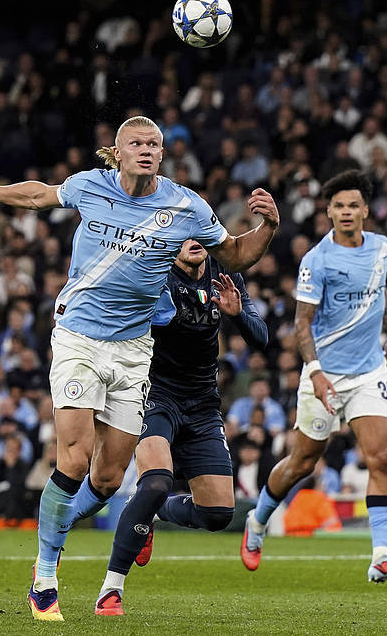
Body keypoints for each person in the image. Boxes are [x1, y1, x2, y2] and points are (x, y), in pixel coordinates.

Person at [0, 115, 279, 621]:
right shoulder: (90, 186)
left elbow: (234, 255)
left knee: (106, 479)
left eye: (154, 144)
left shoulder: (187, 206)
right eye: (136, 143)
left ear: (162, 154)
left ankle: (58, 532)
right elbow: (39, 195)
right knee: (74, 458)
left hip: (133, 351)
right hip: (79, 337)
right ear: (118, 152)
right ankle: (45, 576)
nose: (146, 149)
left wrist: (268, 228)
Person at [239, 170, 387, 584]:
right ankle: (257, 520)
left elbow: (378, 287)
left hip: (368, 371)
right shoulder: (317, 260)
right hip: (325, 374)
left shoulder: (382, 247)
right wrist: (315, 374)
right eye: (339, 206)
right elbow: (302, 323)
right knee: (302, 463)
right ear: (329, 212)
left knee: (380, 458)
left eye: (353, 205)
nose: (346, 212)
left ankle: (381, 556)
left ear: (365, 210)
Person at [95, 238, 268, 616]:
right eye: (184, 233)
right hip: (155, 395)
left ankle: (152, 513)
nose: (194, 241)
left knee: (218, 514)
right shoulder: (153, 273)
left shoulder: (225, 274)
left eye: (200, 232)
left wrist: (238, 314)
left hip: (203, 404)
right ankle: (111, 589)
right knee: (156, 481)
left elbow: (262, 338)